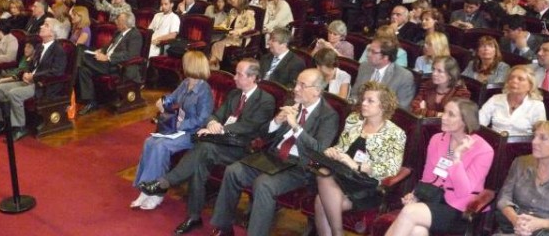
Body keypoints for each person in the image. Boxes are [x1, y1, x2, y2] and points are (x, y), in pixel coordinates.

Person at [138, 59, 275, 235]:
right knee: (199, 164)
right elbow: (215, 115)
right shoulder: (234, 94)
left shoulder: (265, 100)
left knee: (204, 148)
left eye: (239, 74)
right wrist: (212, 123)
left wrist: (221, 129)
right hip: (220, 142)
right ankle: (193, 217)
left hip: (242, 147)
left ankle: (165, 182)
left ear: (253, 77)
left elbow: (250, 126)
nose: (234, 77)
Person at [209, 68, 340, 236]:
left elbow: (318, 150)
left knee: (264, 184)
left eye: (302, 85)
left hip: (299, 166)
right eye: (296, 83)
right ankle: (223, 227)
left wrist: (296, 127)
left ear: (317, 91)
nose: (296, 89)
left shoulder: (328, 115)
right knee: (233, 171)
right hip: (273, 157)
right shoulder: (292, 103)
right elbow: (264, 134)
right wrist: (277, 122)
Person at [385, 98, 494, 236]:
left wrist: (457, 157)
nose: (443, 117)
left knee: (409, 212)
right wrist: (415, 195)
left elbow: (463, 191)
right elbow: (427, 177)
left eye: (451, 114)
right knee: (418, 231)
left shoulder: (483, 150)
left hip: (459, 209)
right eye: (444, 112)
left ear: (465, 121)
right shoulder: (437, 139)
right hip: (432, 200)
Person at [314, 81, 407, 236]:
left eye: (370, 101)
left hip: (365, 182)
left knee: (320, 199)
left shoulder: (395, 134)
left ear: (383, 106)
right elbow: (341, 146)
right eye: (363, 99)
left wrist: (357, 166)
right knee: (323, 173)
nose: (363, 103)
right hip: (342, 174)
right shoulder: (353, 120)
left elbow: (391, 168)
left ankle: (337, 233)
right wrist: (334, 152)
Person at [130, 52, 214, 210]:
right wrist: (162, 101)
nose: (182, 65)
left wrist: (180, 125)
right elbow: (172, 98)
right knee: (150, 142)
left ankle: (157, 193)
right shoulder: (186, 82)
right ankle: (146, 189)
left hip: (192, 133)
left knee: (161, 146)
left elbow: (203, 119)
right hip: (178, 129)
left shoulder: (204, 91)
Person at [0, 18, 68, 141]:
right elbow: (31, 66)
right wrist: (26, 74)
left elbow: (57, 72)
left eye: (46, 25)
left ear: (53, 33)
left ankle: (19, 127)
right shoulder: (39, 47)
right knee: (0, 89)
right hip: (31, 81)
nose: (42, 26)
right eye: (43, 24)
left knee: (14, 94)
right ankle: (3, 122)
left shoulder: (58, 50)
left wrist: (34, 76)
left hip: (44, 85)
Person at [495, 121, 549, 236]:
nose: (534, 142)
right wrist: (516, 220)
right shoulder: (520, 162)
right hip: (512, 229)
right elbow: (503, 198)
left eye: (543, 138)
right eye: (535, 136)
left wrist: (542, 223)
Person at [77, 12, 143, 115]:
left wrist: (108, 57)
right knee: (83, 67)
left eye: (119, 21)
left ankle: (73, 70)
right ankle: (90, 102)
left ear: (125, 24)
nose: (116, 22)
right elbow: (109, 47)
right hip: (104, 63)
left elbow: (130, 55)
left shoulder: (135, 35)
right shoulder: (118, 32)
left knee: (82, 56)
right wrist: (100, 51)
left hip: (116, 66)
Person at [479, 65, 547, 136]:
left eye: (520, 79)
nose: (514, 81)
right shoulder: (495, 99)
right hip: (494, 142)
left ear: (530, 85)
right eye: (511, 78)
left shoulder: (537, 106)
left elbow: (540, 133)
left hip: (521, 145)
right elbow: (479, 123)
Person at [352, 35, 415, 108]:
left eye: (373, 52)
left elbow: (401, 108)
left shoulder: (404, 76)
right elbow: (355, 94)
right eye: (369, 50)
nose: (368, 55)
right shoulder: (364, 67)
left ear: (386, 57)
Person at [209, 0, 255, 70]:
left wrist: (238, 31)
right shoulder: (233, 11)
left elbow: (250, 27)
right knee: (214, 43)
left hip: (240, 38)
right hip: (229, 36)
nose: (232, 0)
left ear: (241, 0)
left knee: (217, 45)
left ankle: (213, 65)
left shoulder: (248, 13)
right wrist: (218, 27)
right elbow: (226, 23)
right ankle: (214, 65)